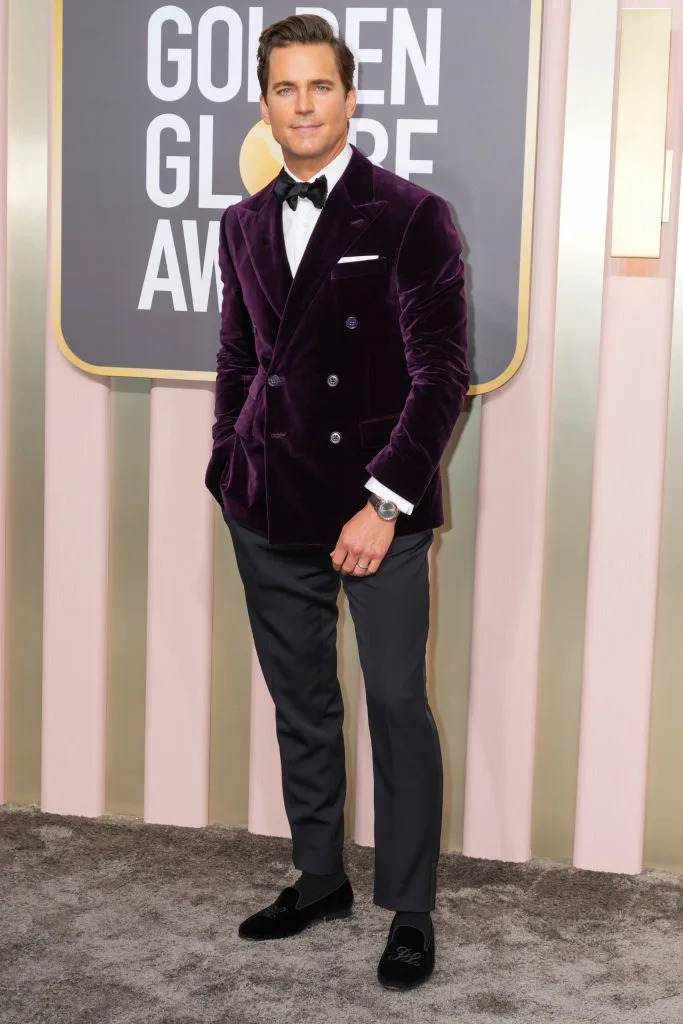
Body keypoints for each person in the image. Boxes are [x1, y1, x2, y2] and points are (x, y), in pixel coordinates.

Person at [205, 13, 469, 991]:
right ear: (264, 102)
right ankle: (318, 875)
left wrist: (384, 499)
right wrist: (226, 462)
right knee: (301, 703)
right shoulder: (239, 223)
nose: (302, 105)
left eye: (320, 87)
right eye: (284, 88)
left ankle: (409, 906)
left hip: (374, 510)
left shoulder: (409, 215)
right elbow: (237, 357)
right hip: (265, 504)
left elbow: (442, 372)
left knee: (397, 700)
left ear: (349, 97)